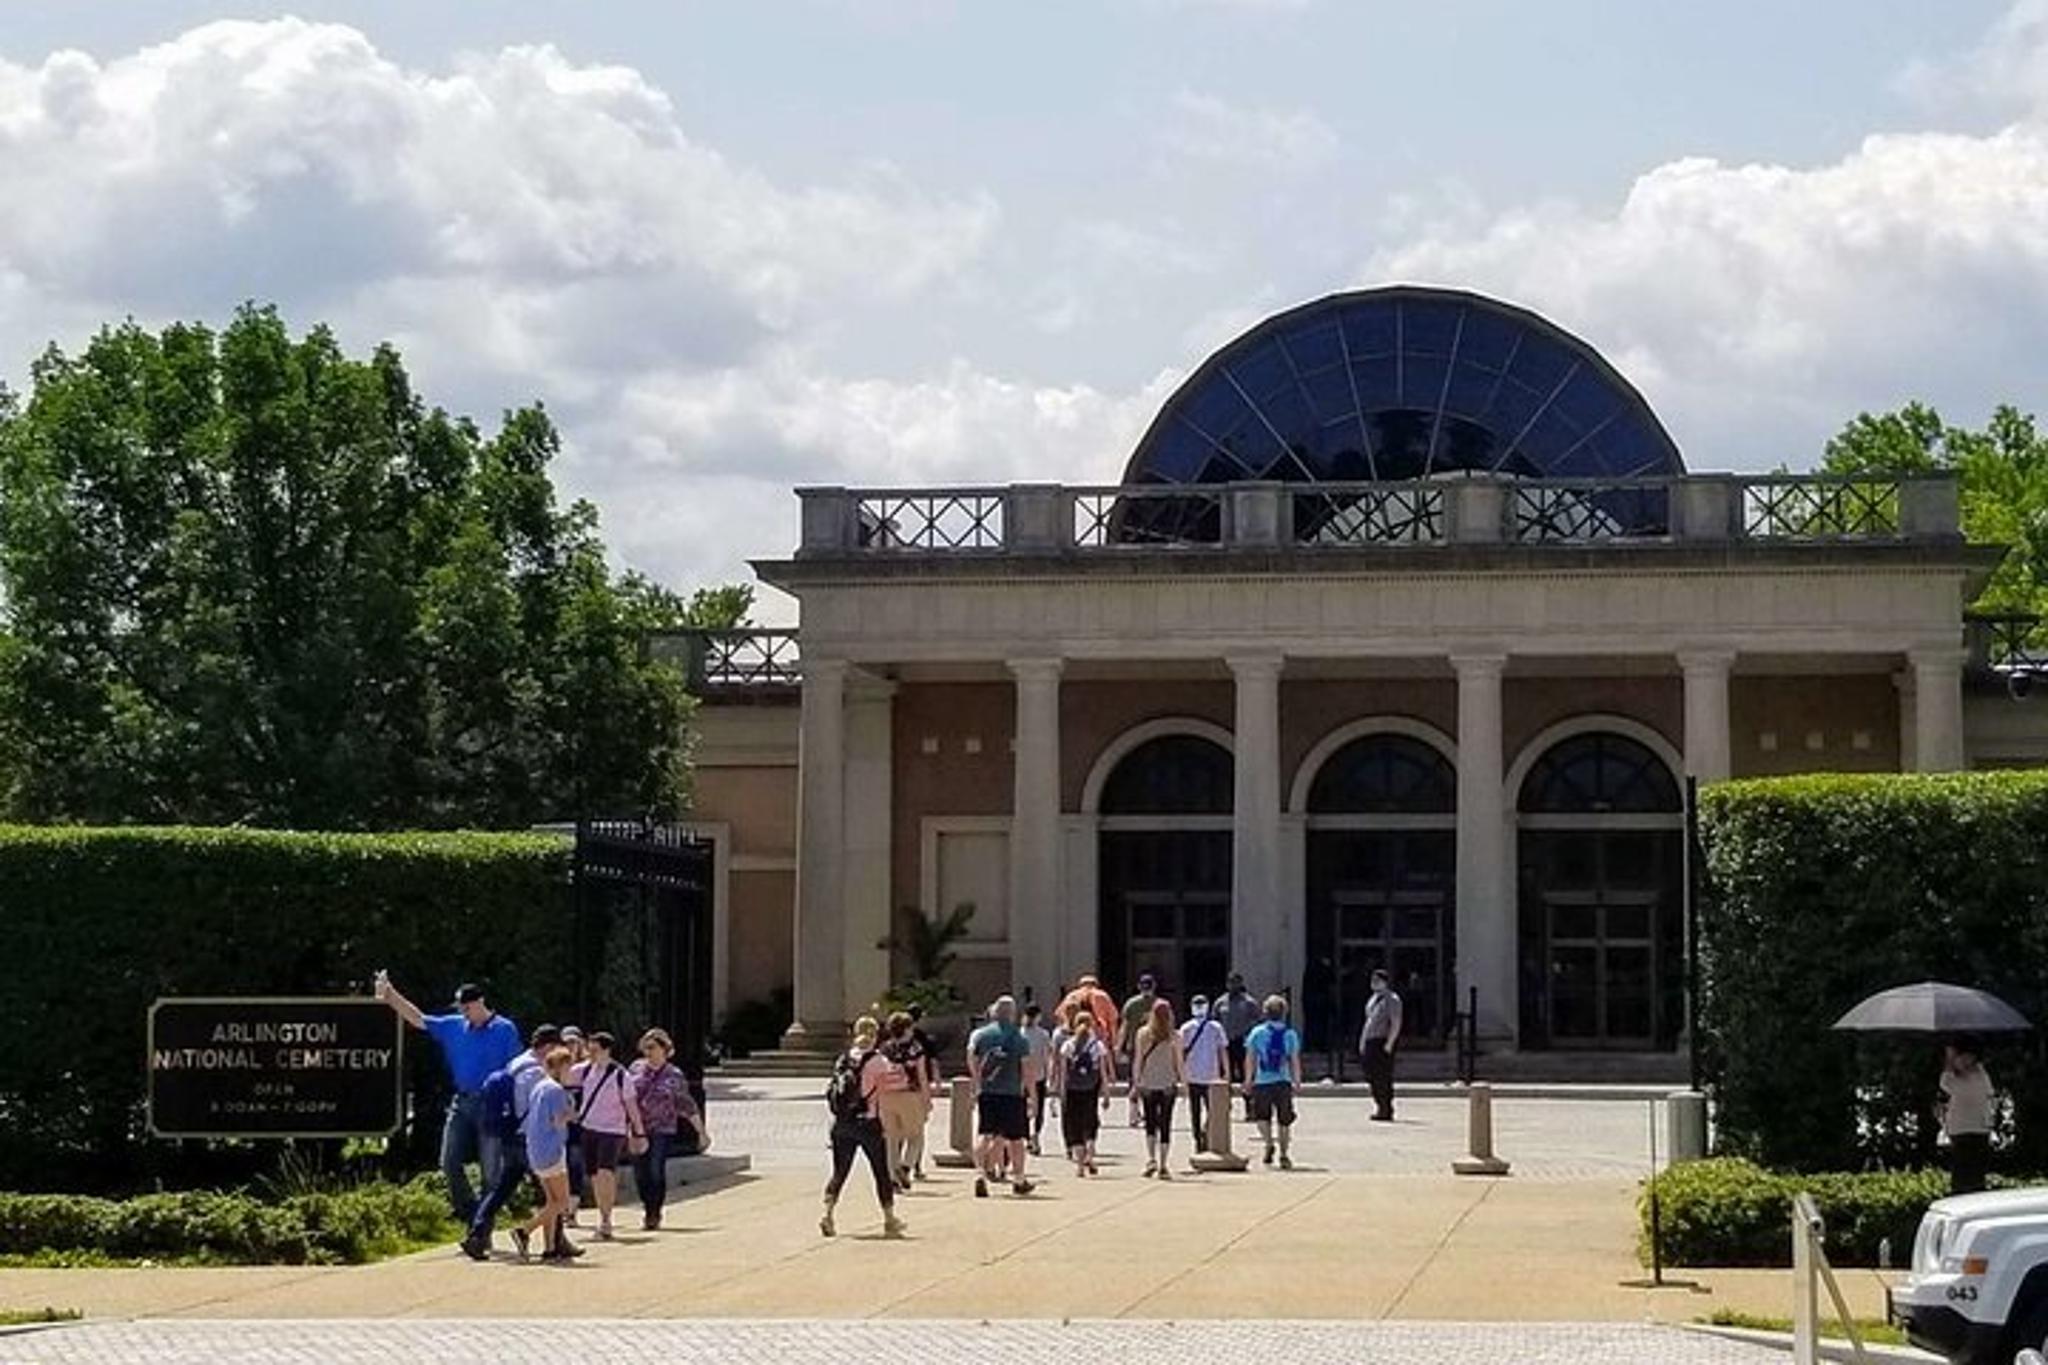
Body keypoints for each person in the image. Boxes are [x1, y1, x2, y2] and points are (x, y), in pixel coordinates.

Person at [373, 973, 521, 1223]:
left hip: (492, 1104)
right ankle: (472, 1213)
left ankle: (482, 1228)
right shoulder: (454, 1026)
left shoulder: (505, 1029)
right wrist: (390, 995)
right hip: (461, 1102)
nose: (464, 1013)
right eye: (461, 1008)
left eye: (467, 1008)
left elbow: (515, 1068)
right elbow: (418, 1019)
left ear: (480, 1002)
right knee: (448, 1161)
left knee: (490, 1172)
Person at [458, 1022, 555, 1261]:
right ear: (548, 1047)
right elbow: (535, 1107)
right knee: (553, 1193)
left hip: (508, 1136)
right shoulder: (537, 1072)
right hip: (528, 1138)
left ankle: (477, 1234)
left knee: (501, 1190)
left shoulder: (516, 1063)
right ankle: (553, 1243)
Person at [822, 1015, 906, 1238]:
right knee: (880, 1171)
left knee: (840, 1171)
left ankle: (828, 1214)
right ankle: (889, 1218)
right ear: (875, 1035)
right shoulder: (878, 1061)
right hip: (868, 1122)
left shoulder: (843, 1059)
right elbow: (899, 1082)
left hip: (842, 1123)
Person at [630, 1028, 707, 1231]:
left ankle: (653, 1212)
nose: (648, 1052)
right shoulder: (635, 1069)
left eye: (652, 1047)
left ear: (664, 1050)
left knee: (656, 1169)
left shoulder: (674, 1075)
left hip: (662, 1128)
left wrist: (701, 1132)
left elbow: (686, 1104)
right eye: (645, 1048)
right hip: (638, 1128)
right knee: (640, 1172)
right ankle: (647, 1204)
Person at [574, 1031, 646, 1241]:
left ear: (607, 1050)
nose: (591, 1054)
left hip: (613, 1130)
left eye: (595, 1050)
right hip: (589, 1128)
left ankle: (606, 1218)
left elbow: (631, 1106)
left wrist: (639, 1132)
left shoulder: (621, 1075)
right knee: (595, 1175)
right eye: (589, 1049)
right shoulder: (584, 1070)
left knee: (606, 1172)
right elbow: (561, 1075)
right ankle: (603, 1213)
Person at [511, 1046, 577, 1261]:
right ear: (561, 1067)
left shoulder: (539, 1087)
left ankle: (550, 1248)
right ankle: (525, 1230)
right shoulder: (556, 1091)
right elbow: (558, 1120)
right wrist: (571, 1114)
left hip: (535, 1149)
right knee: (562, 1202)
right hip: (552, 1149)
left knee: (551, 1202)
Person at [967, 995, 1034, 1197]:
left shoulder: (981, 1035)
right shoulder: (1020, 1038)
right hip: (1012, 1093)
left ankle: (979, 1173)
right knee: (1016, 1139)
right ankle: (1019, 1179)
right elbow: (1027, 1069)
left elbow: (972, 1058)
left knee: (984, 1133)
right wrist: (1031, 1095)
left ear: (994, 1013)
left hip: (987, 1091)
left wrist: (977, 1081)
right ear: (1013, 1014)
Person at [1243, 994, 1302, 1169]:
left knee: (1262, 1117)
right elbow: (1294, 1059)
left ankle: (1268, 1143)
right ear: (1284, 1013)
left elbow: (1250, 1058)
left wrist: (1248, 1080)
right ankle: (1284, 1154)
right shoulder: (1290, 1034)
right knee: (1284, 1120)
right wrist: (1297, 1080)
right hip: (1283, 1081)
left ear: (1265, 1012)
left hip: (1262, 1081)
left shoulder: (1257, 1033)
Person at [1132, 998, 1189, 1179]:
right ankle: (1163, 1164)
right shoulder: (1175, 1036)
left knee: (1150, 1123)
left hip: (1148, 1082)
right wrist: (1185, 1084)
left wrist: (1136, 1082)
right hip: (1167, 1083)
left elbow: (1138, 1060)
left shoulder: (1143, 1033)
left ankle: (1151, 1159)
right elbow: (1179, 1063)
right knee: (1165, 1123)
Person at [1052, 1008, 1114, 1176]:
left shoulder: (1068, 1045)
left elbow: (1063, 1071)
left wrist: (1061, 1091)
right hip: (1090, 1089)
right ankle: (1090, 1156)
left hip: (1072, 1089)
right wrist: (1106, 1092)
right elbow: (1102, 1071)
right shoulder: (1097, 1046)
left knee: (1075, 1125)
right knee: (1090, 1122)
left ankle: (1080, 1166)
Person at [876, 1012, 927, 1191]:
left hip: (886, 1096)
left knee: (892, 1138)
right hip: (909, 1094)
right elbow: (921, 1075)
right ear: (906, 1029)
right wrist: (926, 1099)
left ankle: (892, 1178)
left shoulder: (885, 1048)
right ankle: (905, 1166)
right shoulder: (915, 1048)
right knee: (916, 1136)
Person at [1938, 1037, 1994, 1196]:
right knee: (1964, 1175)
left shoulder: (1979, 1076)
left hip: (1975, 1129)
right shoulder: (1975, 1074)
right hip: (1963, 1130)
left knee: (1971, 1176)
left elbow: (1946, 1084)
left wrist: (1950, 1061)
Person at [1178, 994, 1230, 1155]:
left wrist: (1226, 1071)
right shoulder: (1188, 1028)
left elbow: (1222, 1050)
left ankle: (1203, 1134)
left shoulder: (1214, 1027)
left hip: (1205, 1076)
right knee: (1203, 1111)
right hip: (1201, 1075)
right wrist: (1226, 1071)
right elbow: (1180, 1052)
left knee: (1205, 1111)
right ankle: (1199, 1138)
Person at [1358, 969, 1404, 1122]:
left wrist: (1390, 1043)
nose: (1374, 983)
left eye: (1377, 980)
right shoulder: (1373, 999)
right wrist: (1362, 1042)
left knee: (1383, 1075)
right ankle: (1379, 1103)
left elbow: (1396, 1022)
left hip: (1382, 1041)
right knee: (1370, 1074)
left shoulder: (1392, 999)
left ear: (1385, 982)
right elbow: (1368, 1022)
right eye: (1373, 980)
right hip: (1370, 1040)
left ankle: (1385, 1107)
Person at [904, 1003, 941, 1181]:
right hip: (918, 1085)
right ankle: (916, 1165)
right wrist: (937, 1082)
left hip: (897, 1086)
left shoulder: (894, 1037)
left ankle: (898, 1164)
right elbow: (933, 1062)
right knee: (918, 1128)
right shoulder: (924, 1038)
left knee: (898, 1129)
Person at [1216, 973, 1263, 1106]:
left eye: (1236, 982)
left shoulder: (1249, 1002)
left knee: (1246, 1074)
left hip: (1244, 1043)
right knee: (1226, 1074)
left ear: (1241, 983)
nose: (1233, 985)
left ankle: (1250, 1106)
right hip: (1226, 1043)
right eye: (1230, 982)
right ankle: (1225, 1106)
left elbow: (1258, 1020)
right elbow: (1215, 1020)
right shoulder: (1220, 1002)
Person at [1119, 974, 1159, 1127]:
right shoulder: (1159, 1004)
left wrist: (1118, 1047)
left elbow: (1124, 1028)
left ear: (1139, 987)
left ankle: (1133, 1114)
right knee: (1153, 1080)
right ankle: (1152, 1114)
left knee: (1134, 1080)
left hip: (1135, 1047)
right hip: (1155, 1048)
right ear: (1154, 986)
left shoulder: (1131, 1004)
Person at [559, 1026, 589, 1227]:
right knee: (560, 1167)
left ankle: (571, 1210)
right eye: (566, 1043)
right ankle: (561, 1208)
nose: (570, 1047)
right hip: (559, 1125)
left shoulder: (587, 1068)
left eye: (573, 1042)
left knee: (575, 1165)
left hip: (580, 1125)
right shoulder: (556, 1066)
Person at [1021, 1002, 1052, 1157]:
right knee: (1038, 1108)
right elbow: (1046, 1057)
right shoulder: (1043, 1034)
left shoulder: (1020, 1034)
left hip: (1022, 1077)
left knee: (1023, 1107)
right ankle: (1036, 1134)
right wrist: (1049, 1074)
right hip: (1039, 1075)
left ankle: (1027, 1137)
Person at [1056, 975, 1120, 1043]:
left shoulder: (1071, 996)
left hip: (1073, 1035)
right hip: (1098, 1036)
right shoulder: (1102, 996)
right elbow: (1113, 1019)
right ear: (1096, 985)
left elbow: (1058, 1014)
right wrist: (1114, 1041)